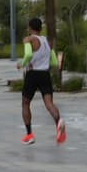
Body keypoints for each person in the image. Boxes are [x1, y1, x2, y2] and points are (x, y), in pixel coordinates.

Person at [18, 17, 65, 145]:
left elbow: (28, 55)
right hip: (45, 74)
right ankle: (59, 121)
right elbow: (54, 61)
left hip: (33, 74)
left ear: (30, 27)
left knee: (25, 103)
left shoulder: (29, 39)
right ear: (40, 28)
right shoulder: (46, 41)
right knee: (49, 103)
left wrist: (22, 64)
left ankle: (29, 134)